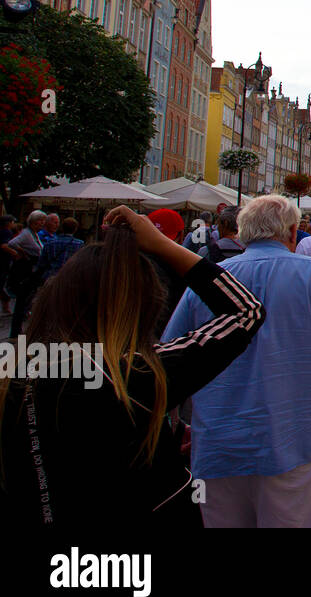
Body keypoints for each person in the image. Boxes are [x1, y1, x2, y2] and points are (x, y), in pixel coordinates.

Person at [1, 206, 266, 527]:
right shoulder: (133, 376)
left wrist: (159, 429)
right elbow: (245, 311)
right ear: (141, 309)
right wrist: (163, 245)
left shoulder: (14, 369)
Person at [164, 195, 311, 527]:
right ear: (292, 232)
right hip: (299, 442)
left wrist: (176, 425)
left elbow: (171, 358)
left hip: (218, 445)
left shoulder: (209, 280)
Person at [3, 210, 46, 338]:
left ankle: (18, 329)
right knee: (22, 302)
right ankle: (16, 331)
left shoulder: (34, 234)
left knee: (25, 302)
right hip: (25, 272)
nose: (42, 223)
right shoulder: (27, 234)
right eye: (40, 221)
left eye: (43, 221)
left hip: (31, 271)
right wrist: (21, 253)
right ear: (32, 221)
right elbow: (12, 243)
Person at [34, 216, 84, 287]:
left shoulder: (50, 242)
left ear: (62, 228)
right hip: (70, 279)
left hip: (51, 277)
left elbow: (41, 262)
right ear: (75, 229)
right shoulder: (80, 244)